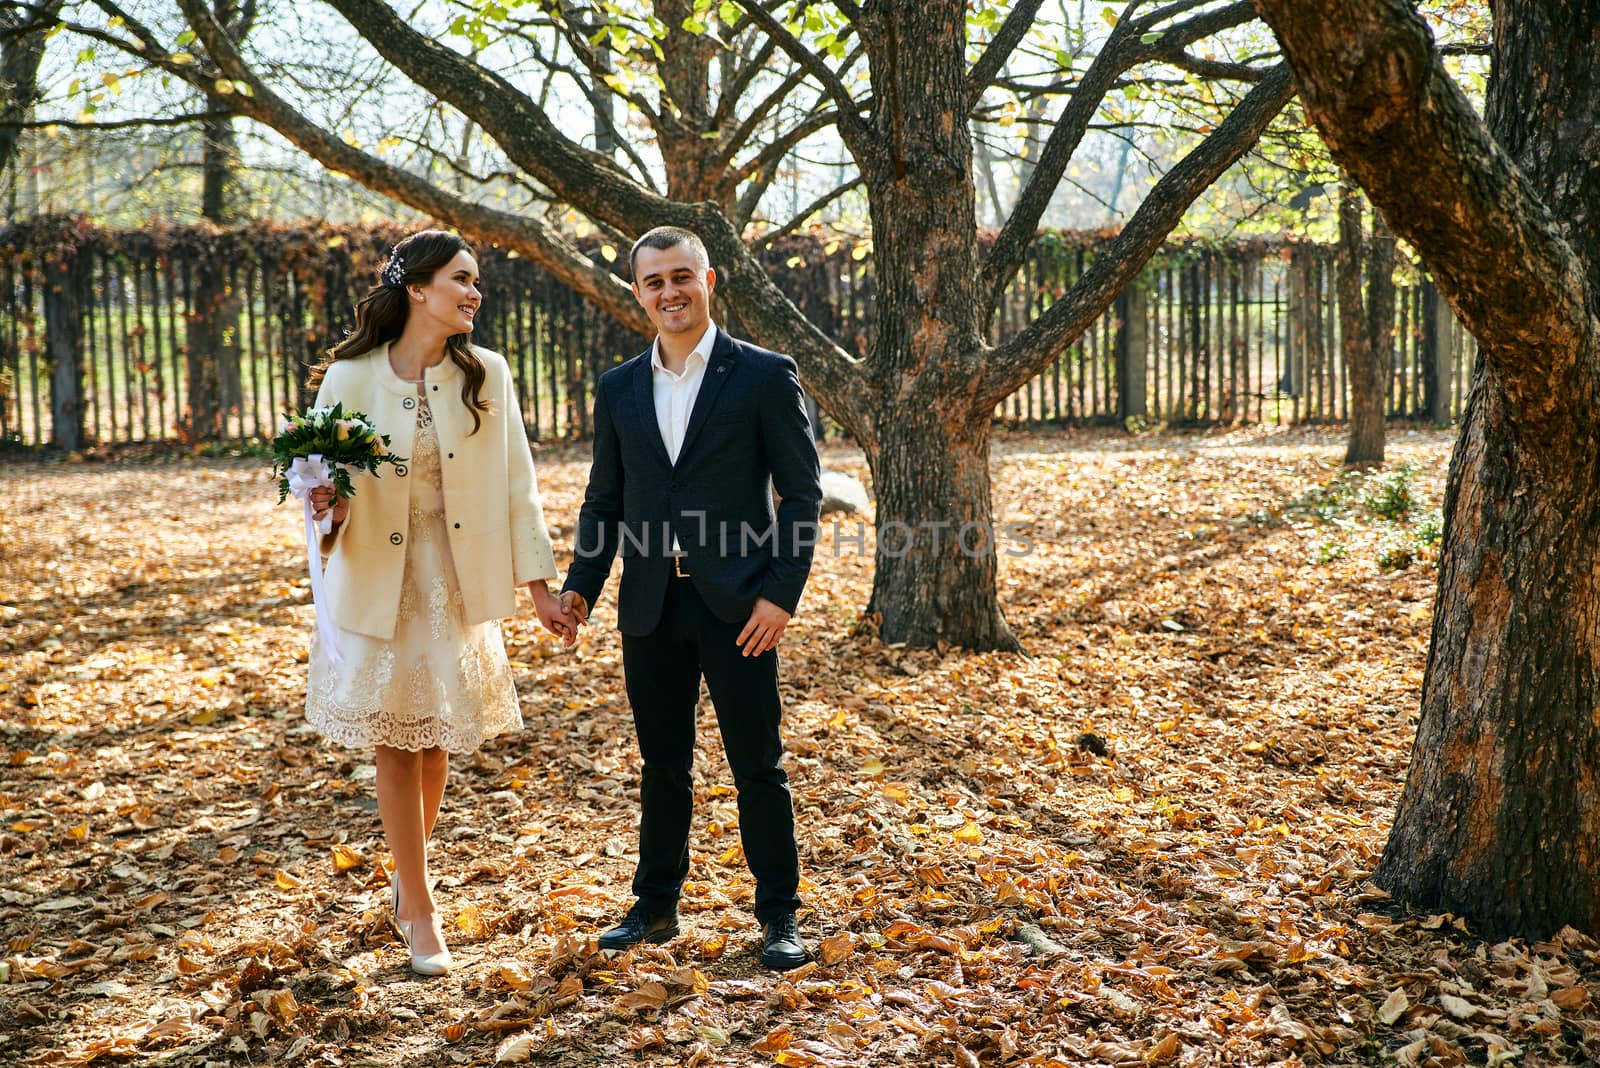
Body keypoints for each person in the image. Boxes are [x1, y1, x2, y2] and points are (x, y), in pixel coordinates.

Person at [303, 229, 573, 976]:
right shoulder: (348, 379)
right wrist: (325, 503)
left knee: (434, 741)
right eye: (462, 278)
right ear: (417, 289)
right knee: (397, 737)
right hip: (376, 582)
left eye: (476, 279)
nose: (474, 292)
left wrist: (543, 593)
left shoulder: (486, 373)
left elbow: (518, 487)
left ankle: (404, 875)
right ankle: (419, 906)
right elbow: (318, 495)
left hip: (455, 582)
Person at [560, 226, 823, 970]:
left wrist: (781, 594)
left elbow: (801, 495)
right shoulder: (618, 386)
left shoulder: (766, 375)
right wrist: (582, 586)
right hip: (649, 604)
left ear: (709, 282)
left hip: (739, 606)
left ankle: (778, 915)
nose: (670, 291)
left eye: (683, 276)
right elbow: (604, 499)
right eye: (654, 281)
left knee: (756, 763)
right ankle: (655, 906)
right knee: (663, 762)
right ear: (638, 292)